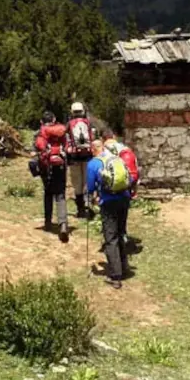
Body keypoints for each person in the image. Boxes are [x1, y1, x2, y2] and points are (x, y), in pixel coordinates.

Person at [86, 139, 132, 288]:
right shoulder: (117, 159)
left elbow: (90, 187)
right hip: (124, 199)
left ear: (93, 149)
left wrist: (93, 200)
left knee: (110, 237)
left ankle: (116, 276)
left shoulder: (93, 164)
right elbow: (130, 178)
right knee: (121, 232)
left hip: (108, 202)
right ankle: (124, 266)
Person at [33, 111, 70, 243]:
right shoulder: (61, 131)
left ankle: (48, 222)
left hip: (46, 166)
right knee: (60, 195)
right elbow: (67, 146)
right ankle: (63, 224)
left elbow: (37, 147)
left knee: (48, 193)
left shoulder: (40, 132)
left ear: (41, 122)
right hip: (60, 165)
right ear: (54, 120)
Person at [66, 102, 95, 219]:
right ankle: (88, 204)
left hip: (74, 156)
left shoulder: (69, 124)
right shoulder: (88, 123)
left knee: (77, 183)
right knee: (87, 181)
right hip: (88, 155)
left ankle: (80, 210)